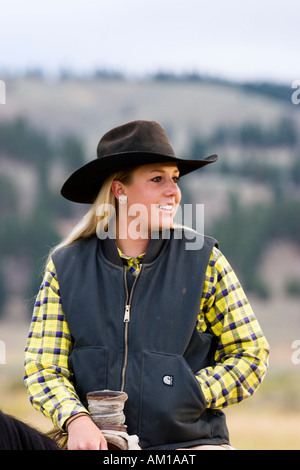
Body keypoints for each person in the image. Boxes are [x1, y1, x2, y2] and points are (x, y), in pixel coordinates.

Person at [24, 120, 269, 450]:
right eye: (158, 179)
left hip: (192, 446)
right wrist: (75, 419)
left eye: (175, 178)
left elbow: (251, 354)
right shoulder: (66, 268)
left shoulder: (204, 260)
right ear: (120, 191)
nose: (174, 191)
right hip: (101, 444)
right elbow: (43, 367)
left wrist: (189, 391)